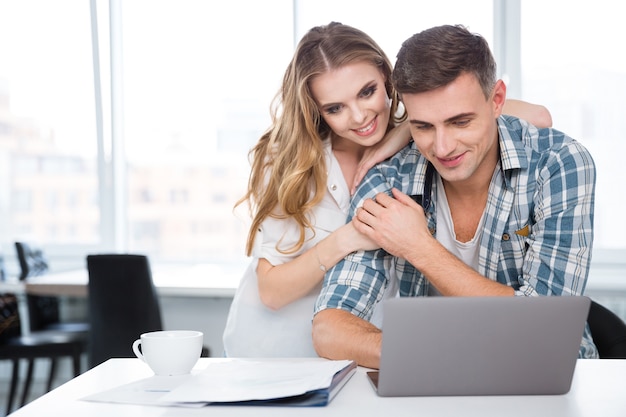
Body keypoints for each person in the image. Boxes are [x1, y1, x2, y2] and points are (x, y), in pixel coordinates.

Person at [223, 22, 553, 358]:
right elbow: (271, 292)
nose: (359, 116)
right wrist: (347, 237)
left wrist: (405, 131)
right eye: (335, 108)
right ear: (315, 109)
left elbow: (536, 116)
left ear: (386, 76)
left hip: (359, 339)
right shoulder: (290, 162)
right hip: (275, 341)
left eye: (367, 92)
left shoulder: (419, 136)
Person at [312, 24, 598, 368]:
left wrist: (417, 246)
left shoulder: (558, 164)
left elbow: (545, 330)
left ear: (497, 100)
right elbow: (329, 328)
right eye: (423, 127)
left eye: (460, 122)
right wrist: (429, 356)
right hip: (433, 373)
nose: (443, 148)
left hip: (548, 375)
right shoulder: (388, 179)